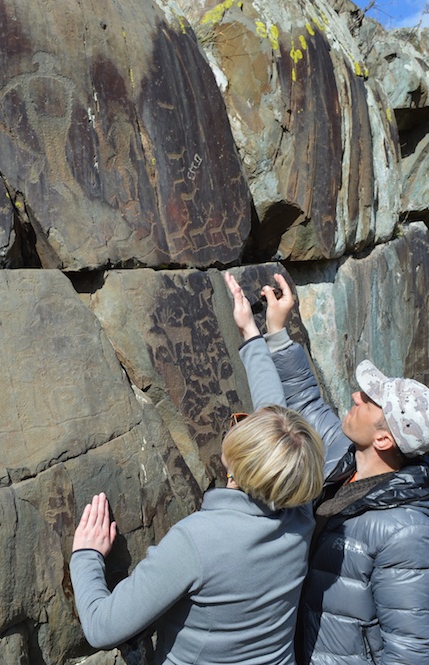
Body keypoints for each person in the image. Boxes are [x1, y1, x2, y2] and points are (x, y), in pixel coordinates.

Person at [68, 272, 326, 665]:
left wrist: (86, 555)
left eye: (240, 426)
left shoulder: (197, 542)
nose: (237, 423)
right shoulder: (298, 510)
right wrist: (251, 335)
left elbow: (103, 628)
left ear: (233, 463)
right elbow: (278, 424)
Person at [233, 272, 429, 665]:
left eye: (368, 401)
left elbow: (412, 652)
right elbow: (306, 403)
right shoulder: (342, 454)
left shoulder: (409, 535)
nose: (355, 395)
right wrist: (276, 331)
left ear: (383, 440)